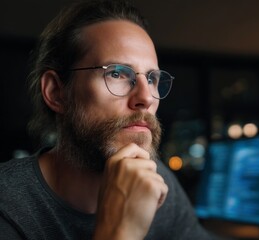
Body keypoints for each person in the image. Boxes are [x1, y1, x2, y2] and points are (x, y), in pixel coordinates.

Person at [0, 0, 221, 239]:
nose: (146, 98)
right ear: (56, 93)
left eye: (152, 78)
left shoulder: (155, 180)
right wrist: (119, 231)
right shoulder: (7, 204)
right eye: (116, 73)